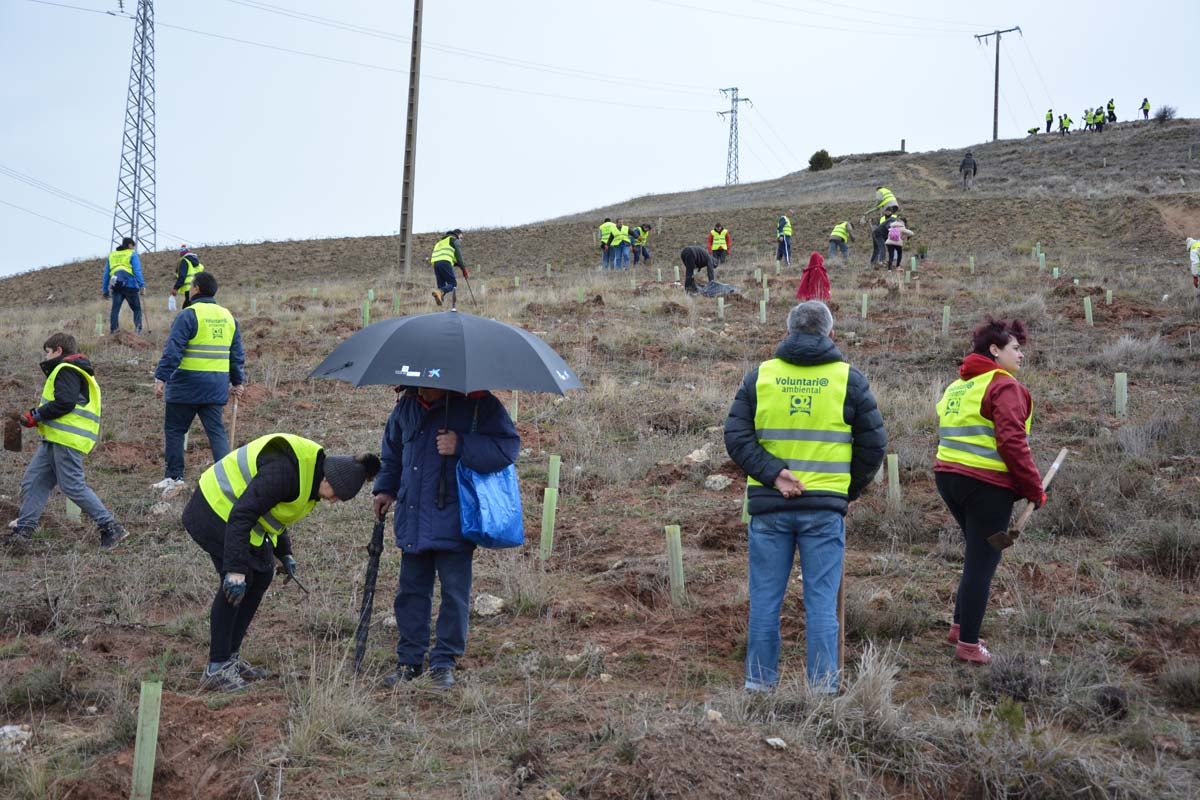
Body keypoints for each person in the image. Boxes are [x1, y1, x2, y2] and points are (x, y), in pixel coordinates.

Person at [725, 301, 886, 693]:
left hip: (769, 510)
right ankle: (823, 690)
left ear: (788, 332)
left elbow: (736, 437)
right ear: (830, 334)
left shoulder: (760, 377)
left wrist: (772, 473)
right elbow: (874, 444)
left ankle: (759, 686)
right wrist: (844, 492)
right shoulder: (849, 379)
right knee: (821, 605)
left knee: (764, 602)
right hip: (824, 513)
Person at [186, 433, 379, 690]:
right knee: (237, 584)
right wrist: (234, 570)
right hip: (215, 507)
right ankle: (216, 668)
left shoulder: (311, 479)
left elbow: (276, 514)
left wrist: (284, 552)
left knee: (263, 574)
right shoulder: (285, 473)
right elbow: (243, 514)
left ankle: (230, 657)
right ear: (328, 479)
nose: (333, 502)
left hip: (240, 515)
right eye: (336, 495)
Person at [374, 386, 520, 690]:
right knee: (410, 592)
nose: (427, 384)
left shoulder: (481, 405)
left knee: (454, 594)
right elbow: (392, 454)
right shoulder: (406, 406)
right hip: (413, 518)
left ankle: (444, 663)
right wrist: (385, 489)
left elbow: (508, 448)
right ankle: (409, 661)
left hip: (455, 520)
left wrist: (462, 444)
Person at [935, 318, 1044, 665]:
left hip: (949, 478)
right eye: (1015, 348)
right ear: (994, 351)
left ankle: (958, 624)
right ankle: (968, 644)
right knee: (983, 562)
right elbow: (1012, 442)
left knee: (976, 554)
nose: (1021, 356)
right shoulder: (1003, 386)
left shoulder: (958, 387)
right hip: (986, 486)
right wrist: (1034, 489)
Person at [4, 333, 129, 550]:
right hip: (54, 439)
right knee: (33, 482)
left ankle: (111, 527)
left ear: (59, 350)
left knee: (73, 486)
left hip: (66, 439)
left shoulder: (67, 369)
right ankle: (23, 532)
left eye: (48, 352)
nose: (46, 356)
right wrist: (35, 418)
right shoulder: (73, 370)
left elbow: (65, 402)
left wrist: (36, 414)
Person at [152, 272, 245, 491]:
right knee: (216, 432)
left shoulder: (188, 315)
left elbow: (173, 350)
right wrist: (237, 381)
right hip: (216, 386)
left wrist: (161, 377)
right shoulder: (228, 317)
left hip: (185, 385)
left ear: (195, 289)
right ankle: (226, 479)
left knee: (175, 430)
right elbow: (236, 354)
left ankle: (174, 478)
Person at [102, 236, 145, 334]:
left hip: (117, 286)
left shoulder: (112, 255)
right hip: (130, 285)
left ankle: (114, 332)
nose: (134, 248)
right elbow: (137, 271)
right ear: (130, 245)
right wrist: (142, 285)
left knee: (115, 310)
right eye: (133, 246)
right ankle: (138, 330)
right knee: (137, 309)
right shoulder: (132, 253)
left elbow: (106, 274)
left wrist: (105, 290)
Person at [431, 230, 469, 308]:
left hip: (436, 264)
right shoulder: (454, 240)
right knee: (453, 284)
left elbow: (451, 258)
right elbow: (459, 257)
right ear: (457, 235)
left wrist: (457, 264)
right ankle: (439, 293)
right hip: (445, 262)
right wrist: (463, 269)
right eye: (461, 238)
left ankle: (440, 302)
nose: (460, 240)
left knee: (442, 287)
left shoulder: (440, 242)